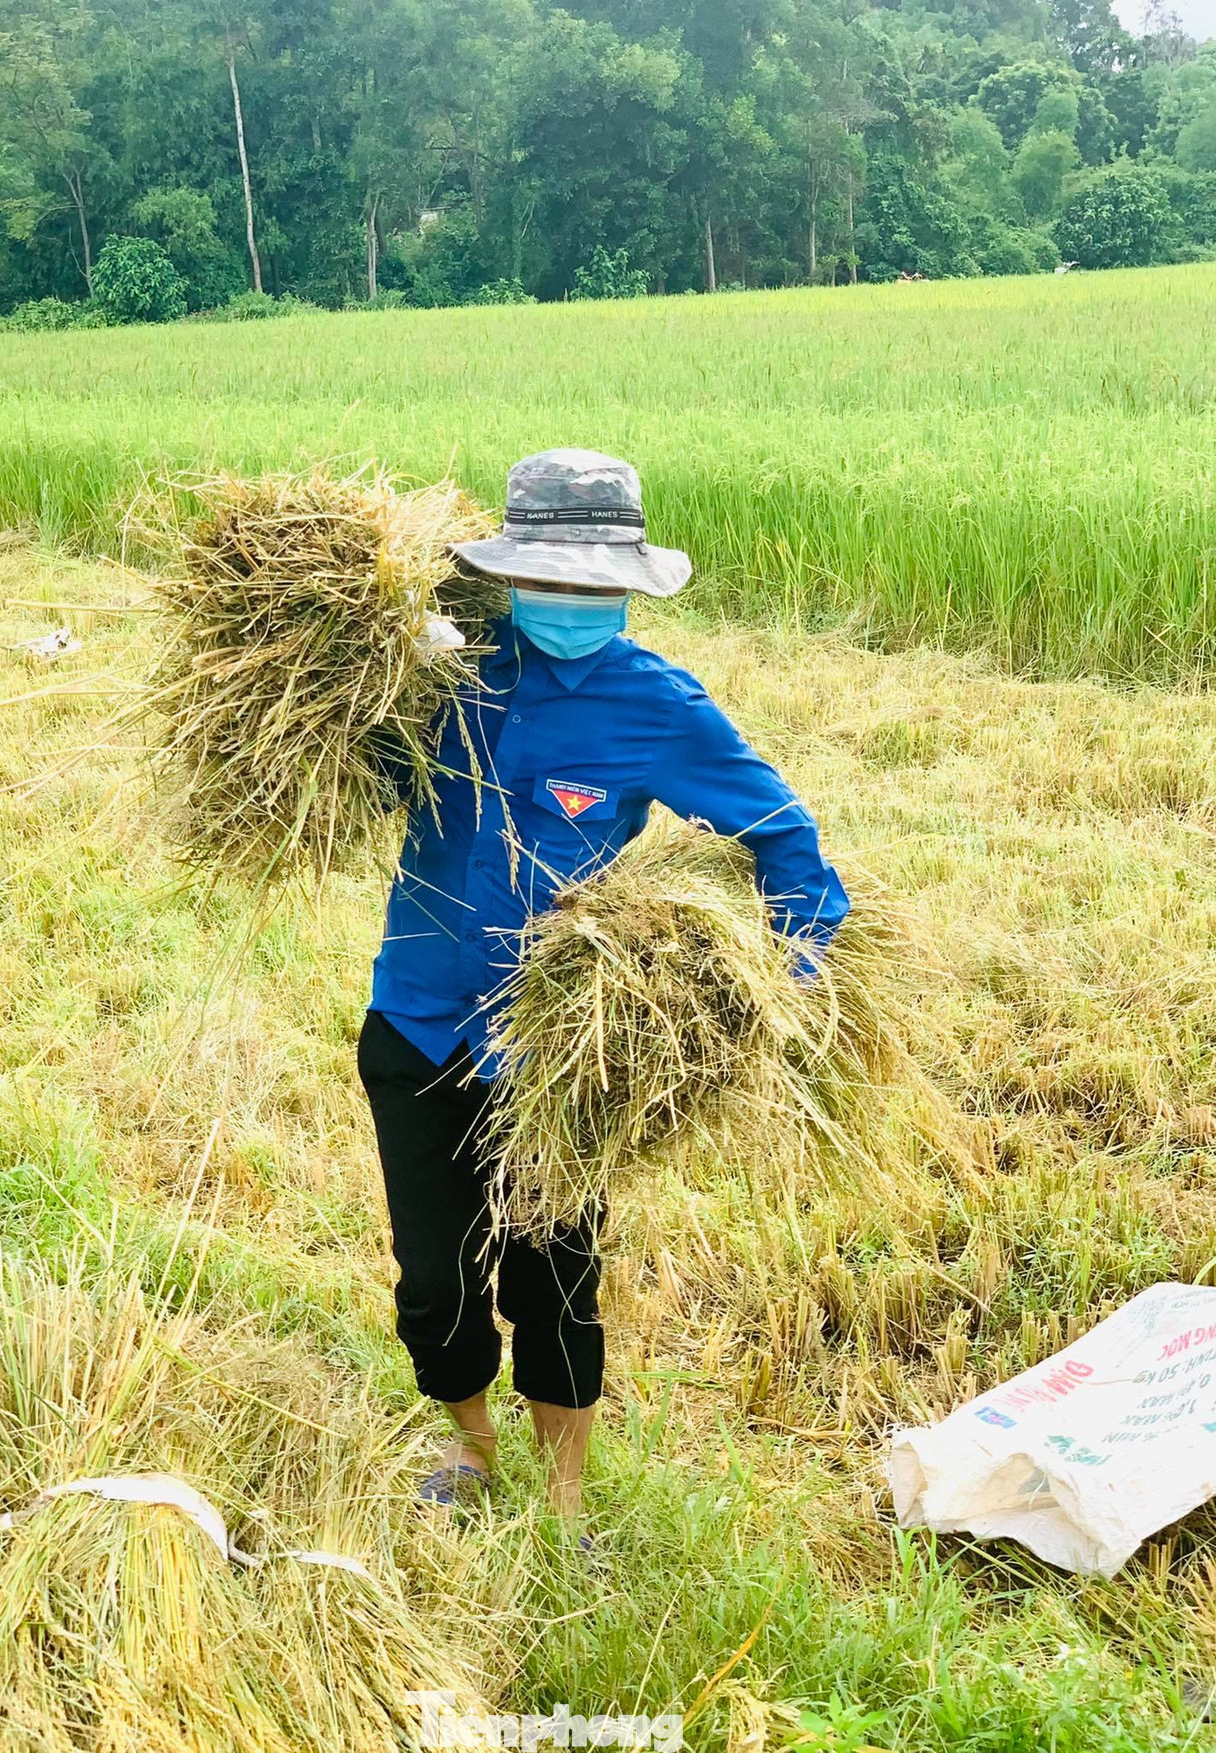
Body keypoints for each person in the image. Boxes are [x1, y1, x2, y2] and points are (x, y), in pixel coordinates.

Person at [356, 449, 849, 1524]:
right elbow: (355, 774)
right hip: (418, 1015)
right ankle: (472, 1450)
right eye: (549, 578)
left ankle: (566, 1501)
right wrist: (350, 678)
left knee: (555, 1277)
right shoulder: (441, 674)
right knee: (435, 1279)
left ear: (627, 582)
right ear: (510, 574)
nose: (570, 599)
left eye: (592, 581)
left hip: (553, 1051)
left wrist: (789, 977)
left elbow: (783, 835)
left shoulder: (656, 707)